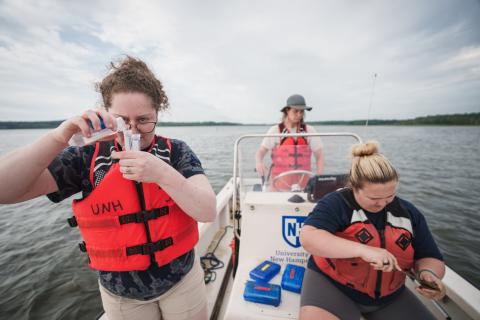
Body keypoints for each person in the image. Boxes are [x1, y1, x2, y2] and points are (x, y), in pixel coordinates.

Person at [0, 56, 217, 320]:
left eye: (144, 120)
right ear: (108, 115)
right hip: (122, 296)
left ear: (158, 114)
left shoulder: (177, 152)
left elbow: (207, 210)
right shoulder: (86, 158)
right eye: (124, 121)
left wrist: (162, 173)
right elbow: (5, 190)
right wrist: (58, 137)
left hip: (182, 281)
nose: (134, 131)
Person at [299, 141, 446, 320]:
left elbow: (430, 256)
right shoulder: (335, 204)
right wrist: (364, 250)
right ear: (354, 187)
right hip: (333, 285)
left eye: (390, 196)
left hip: (390, 296)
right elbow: (309, 237)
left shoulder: (409, 213)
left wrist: (428, 274)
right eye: (374, 197)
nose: (383, 204)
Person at [255, 94, 324, 191]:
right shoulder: (275, 131)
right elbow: (261, 151)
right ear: (287, 110)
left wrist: (319, 178)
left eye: (301, 111)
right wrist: (259, 162)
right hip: (278, 184)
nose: (299, 115)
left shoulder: (310, 130)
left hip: (304, 185)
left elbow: (319, 156)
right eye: (295, 111)